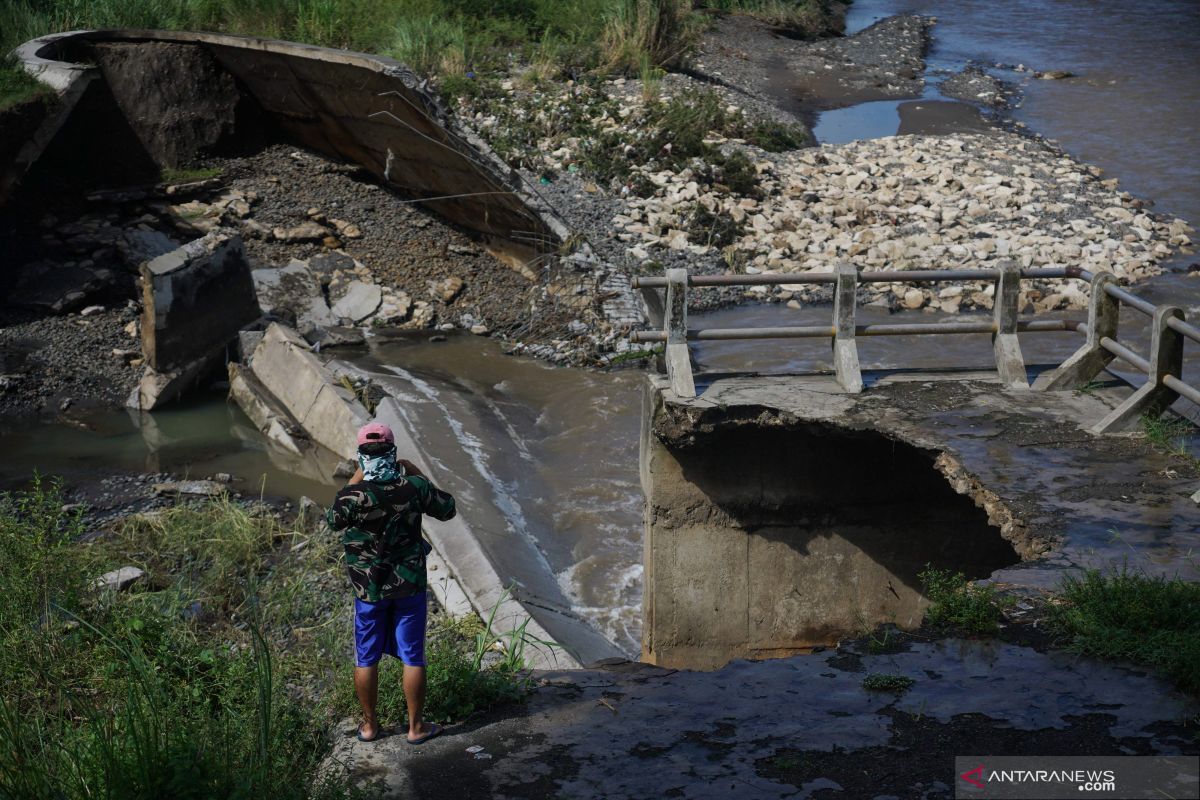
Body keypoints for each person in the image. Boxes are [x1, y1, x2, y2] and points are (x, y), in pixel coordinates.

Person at [326, 422, 457, 744]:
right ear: (393, 452)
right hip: (408, 586)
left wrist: (358, 475)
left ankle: (370, 727)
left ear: (361, 455)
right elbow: (447, 508)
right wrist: (416, 472)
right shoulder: (413, 487)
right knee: (413, 655)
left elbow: (334, 519)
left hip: (368, 591)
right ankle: (415, 728)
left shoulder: (355, 495)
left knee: (366, 657)